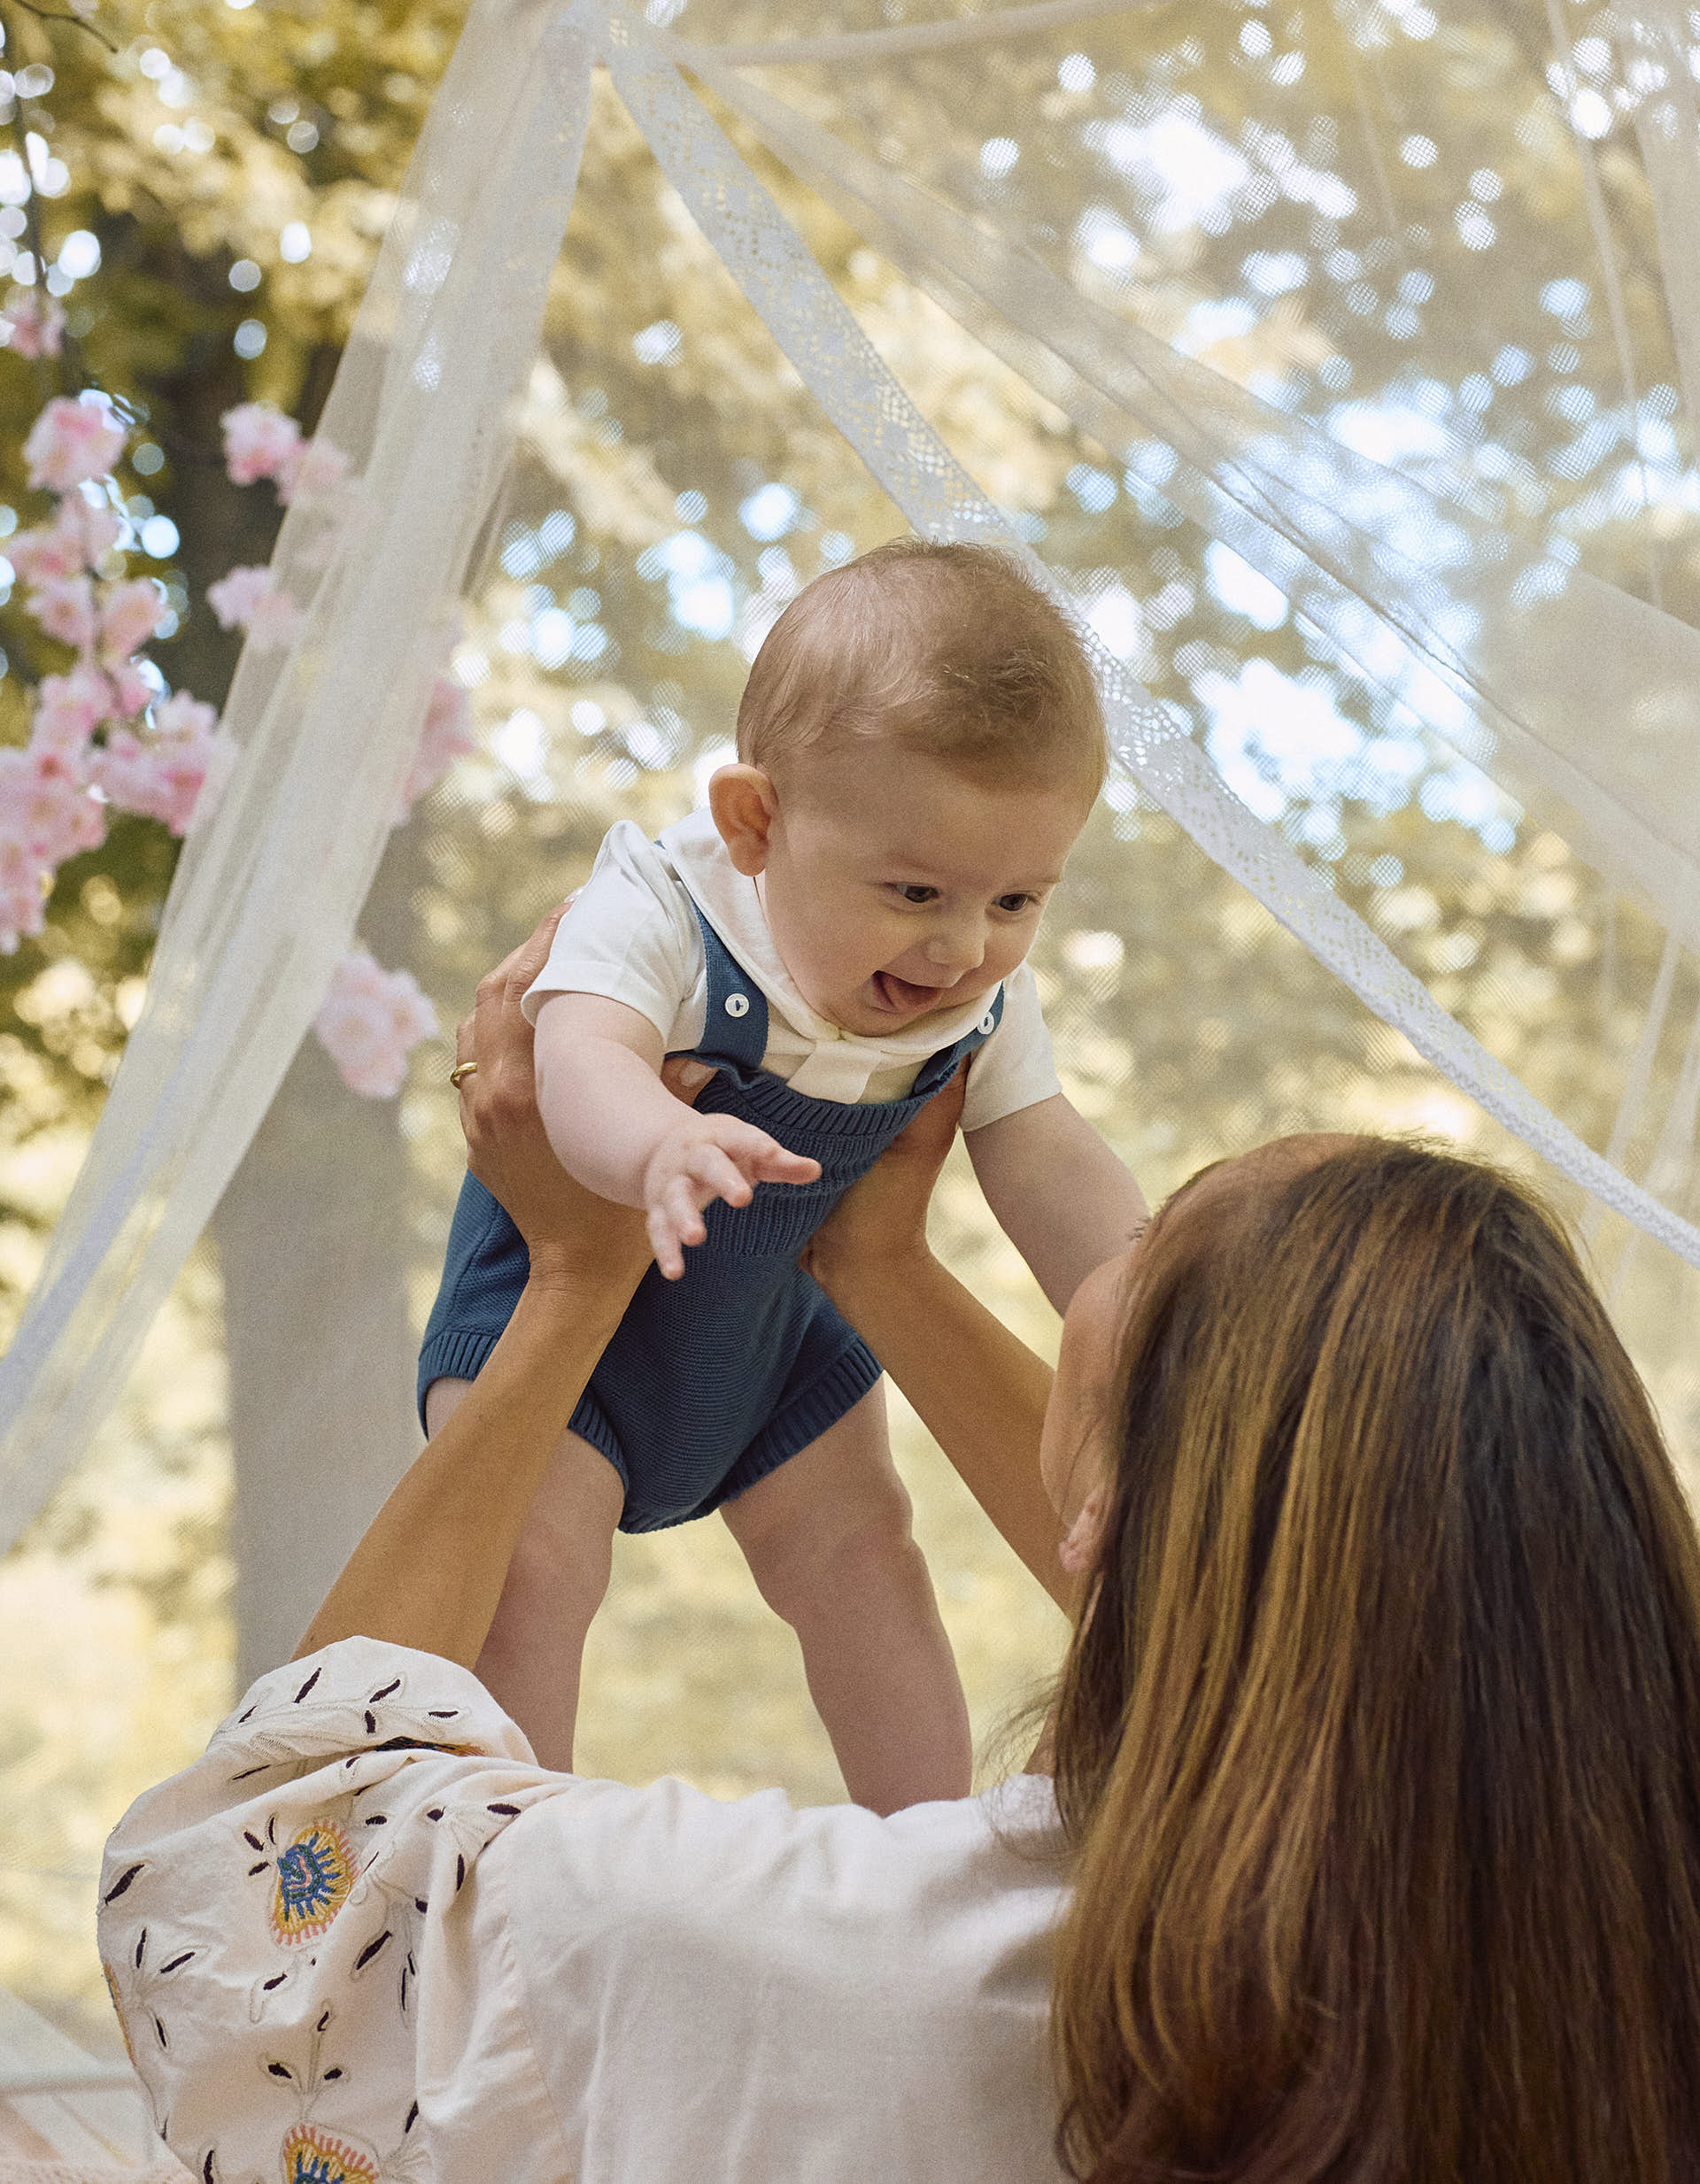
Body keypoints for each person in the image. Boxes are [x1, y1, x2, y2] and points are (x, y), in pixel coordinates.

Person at [99, 915, 1700, 2184]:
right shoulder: (1615, 1978)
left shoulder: (877, 1971)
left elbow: (235, 1926)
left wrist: (568, 1290)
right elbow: (1261, 1601)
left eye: (1152, 1242)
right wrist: (885, 1262)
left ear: (1112, 1529)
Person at [418, 536, 1148, 1803]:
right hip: (561, 1331)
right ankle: (521, 1864)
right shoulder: (662, 909)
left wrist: (1153, 1294)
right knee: (533, 1574)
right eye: (916, 889)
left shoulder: (973, 999)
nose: (963, 945)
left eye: (1020, 900)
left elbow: (1041, 1155)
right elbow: (574, 1057)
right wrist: (658, 1139)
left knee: (868, 1556)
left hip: (774, 1339)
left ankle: (927, 1841)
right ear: (757, 825)